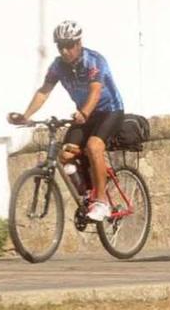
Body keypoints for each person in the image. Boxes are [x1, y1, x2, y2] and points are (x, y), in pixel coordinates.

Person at [8, 20, 124, 221]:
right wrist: (26, 116)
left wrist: (85, 113)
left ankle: (103, 202)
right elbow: (44, 92)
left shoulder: (94, 61)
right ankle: (89, 192)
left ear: (79, 43)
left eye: (69, 45)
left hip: (109, 111)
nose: (65, 51)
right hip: (85, 114)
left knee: (94, 146)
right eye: (60, 46)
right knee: (65, 155)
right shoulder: (58, 66)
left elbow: (96, 91)